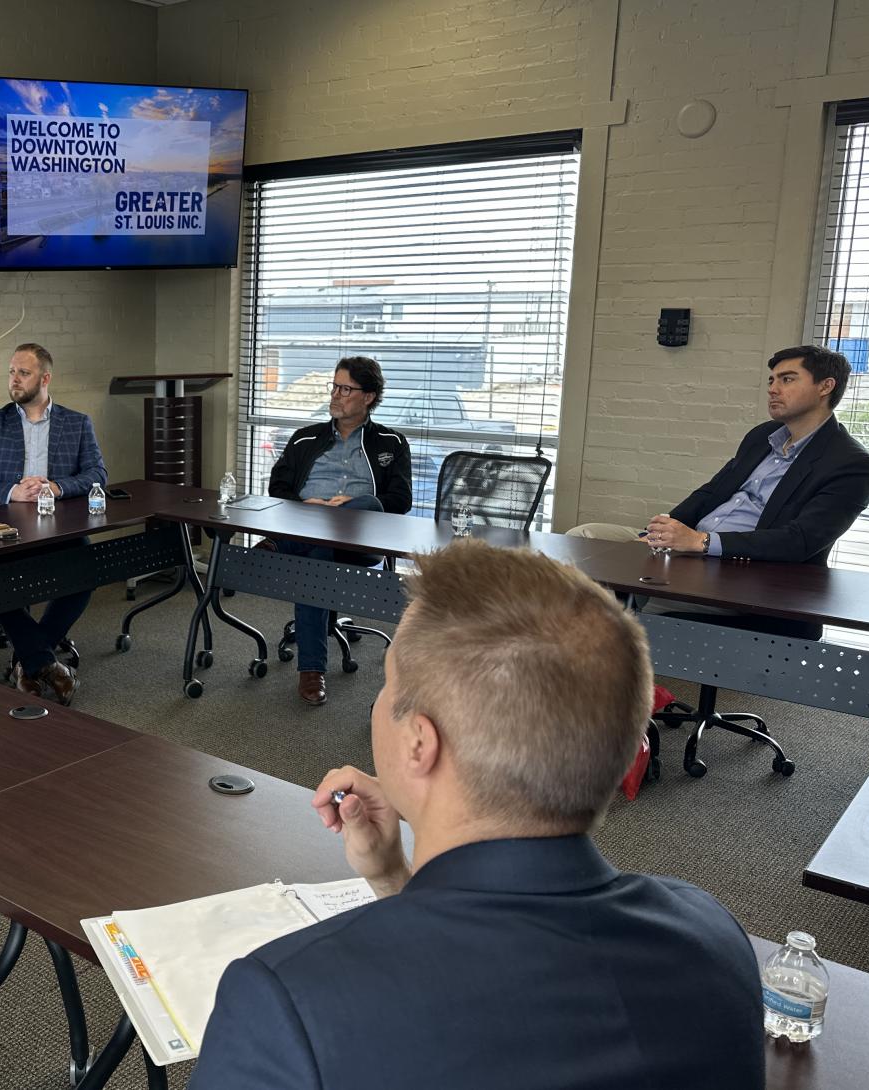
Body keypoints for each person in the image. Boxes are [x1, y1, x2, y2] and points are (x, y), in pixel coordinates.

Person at [191, 540, 763, 1090]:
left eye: (386, 686)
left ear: (420, 743)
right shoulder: (713, 936)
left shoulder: (287, 999)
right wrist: (394, 880)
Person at [571, 345, 869, 566]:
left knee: (609, 585)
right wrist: (658, 533)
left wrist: (702, 543)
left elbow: (799, 542)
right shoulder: (762, 437)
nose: (773, 389)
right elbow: (710, 493)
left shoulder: (851, 464)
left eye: (787, 379)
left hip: (740, 568)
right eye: (771, 380)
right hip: (688, 548)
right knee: (582, 536)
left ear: (826, 386)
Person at [0, 343, 108, 704]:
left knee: (86, 572)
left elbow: (97, 474)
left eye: (23, 373)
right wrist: (14, 491)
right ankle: (44, 662)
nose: (14, 379)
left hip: (57, 525)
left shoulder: (77, 423)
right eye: (11, 371)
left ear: (45, 378)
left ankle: (27, 659)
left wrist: (56, 487)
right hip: (5, 529)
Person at [266, 355, 412, 706]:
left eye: (345, 388)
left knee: (367, 507)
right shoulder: (304, 439)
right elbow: (277, 488)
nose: (335, 394)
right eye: (334, 386)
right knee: (316, 555)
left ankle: (275, 545)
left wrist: (351, 503)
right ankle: (311, 671)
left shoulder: (391, 442)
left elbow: (400, 500)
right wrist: (308, 505)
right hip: (308, 528)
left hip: (363, 535)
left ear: (369, 396)